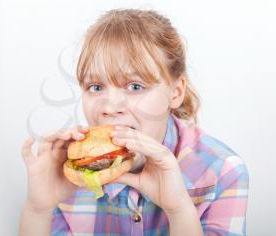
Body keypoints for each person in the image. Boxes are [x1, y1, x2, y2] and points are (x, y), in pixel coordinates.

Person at [19, 9, 249, 236]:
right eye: (96, 87)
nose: (110, 108)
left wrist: (179, 210)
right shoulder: (67, 170)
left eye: (135, 86)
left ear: (176, 92)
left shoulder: (222, 171)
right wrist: (38, 210)